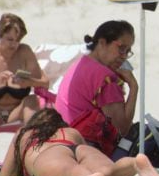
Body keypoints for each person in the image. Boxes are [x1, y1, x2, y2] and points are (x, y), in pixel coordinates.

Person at [0, 108, 159, 176]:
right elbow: (79, 155)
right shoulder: (70, 131)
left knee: (68, 169)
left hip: (50, 153)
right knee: (109, 170)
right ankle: (134, 163)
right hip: (79, 148)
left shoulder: (25, 132)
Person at [54, 20, 138, 156]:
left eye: (128, 52)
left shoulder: (81, 63)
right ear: (102, 42)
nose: (124, 56)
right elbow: (122, 130)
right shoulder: (105, 77)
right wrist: (134, 88)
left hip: (62, 140)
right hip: (85, 148)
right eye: (121, 48)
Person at [0, 13, 47, 125]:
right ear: (0, 35)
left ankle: (30, 134)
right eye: (10, 39)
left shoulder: (24, 52)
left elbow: (45, 83)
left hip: (16, 114)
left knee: (31, 99)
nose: (14, 44)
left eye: (18, 40)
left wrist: (28, 82)